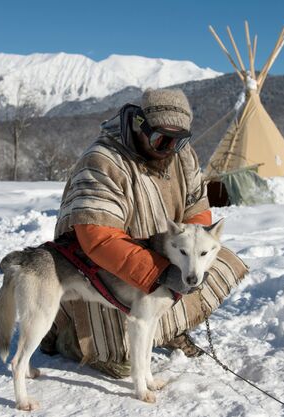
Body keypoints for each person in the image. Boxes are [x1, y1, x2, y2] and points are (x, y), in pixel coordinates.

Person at [40, 88, 248, 378]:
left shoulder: (181, 155)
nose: (169, 148)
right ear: (140, 126)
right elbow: (97, 237)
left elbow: (196, 208)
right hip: (98, 272)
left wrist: (191, 247)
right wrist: (158, 272)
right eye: (161, 138)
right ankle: (65, 334)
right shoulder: (103, 160)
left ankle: (168, 327)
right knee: (122, 363)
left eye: (179, 140)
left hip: (163, 251)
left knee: (215, 258)